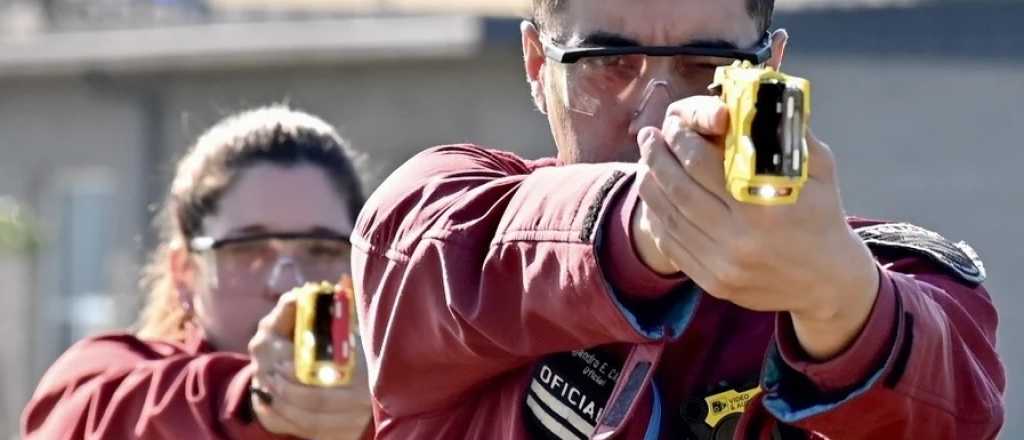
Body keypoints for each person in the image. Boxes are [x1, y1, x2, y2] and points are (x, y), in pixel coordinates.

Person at [351, 0, 1005, 438]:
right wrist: (650, 228)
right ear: (536, 65)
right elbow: (436, 249)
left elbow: (951, 398)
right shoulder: (446, 207)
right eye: (610, 65)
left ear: (769, 69)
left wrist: (833, 298)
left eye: (706, 65)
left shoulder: (883, 271)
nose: (656, 115)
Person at [22, 105, 374, 439]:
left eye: (321, 249)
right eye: (247, 250)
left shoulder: (404, 405)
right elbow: (100, 422)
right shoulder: (106, 383)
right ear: (184, 272)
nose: (285, 283)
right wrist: (250, 404)